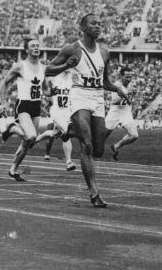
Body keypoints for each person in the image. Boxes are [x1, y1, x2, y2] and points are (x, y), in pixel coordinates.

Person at [46, 13, 128, 208]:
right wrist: (66, 65)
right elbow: (48, 70)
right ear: (83, 28)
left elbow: (105, 82)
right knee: (87, 145)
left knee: (98, 150)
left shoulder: (105, 52)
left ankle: (71, 130)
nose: (98, 27)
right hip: (79, 98)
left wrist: (118, 90)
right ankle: (94, 192)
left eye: (100, 23)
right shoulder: (72, 48)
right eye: (93, 24)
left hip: (97, 99)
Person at [0, 38, 48, 181]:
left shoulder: (43, 67)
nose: (36, 47)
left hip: (36, 106)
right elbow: (4, 84)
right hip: (23, 105)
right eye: (33, 46)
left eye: (38, 45)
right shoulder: (19, 66)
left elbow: (45, 89)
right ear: (27, 50)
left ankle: (13, 170)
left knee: (28, 143)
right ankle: (12, 127)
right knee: (32, 136)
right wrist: (3, 103)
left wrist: (53, 93)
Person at [35, 70, 76, 170]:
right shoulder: (54, 78)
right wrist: (45, 78)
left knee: (54, 134)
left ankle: (38, 138)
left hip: (67, 111)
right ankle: (69, 162)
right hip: (56, 111)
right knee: (67, 132)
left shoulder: (73, 78)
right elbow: (44, 87)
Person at [105, 67, 139, 161]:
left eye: (130, 77)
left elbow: (130, 99)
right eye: (127, 76)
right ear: (121, 76)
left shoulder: (131, 85)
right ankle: (89, 151)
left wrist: (133, 96)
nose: (129, 79)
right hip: (115, 113)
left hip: (126, 113)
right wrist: (127, 94)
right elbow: (115, 101)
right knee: (102, 137)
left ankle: (116, 146)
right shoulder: (116, 85)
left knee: (134, 135)